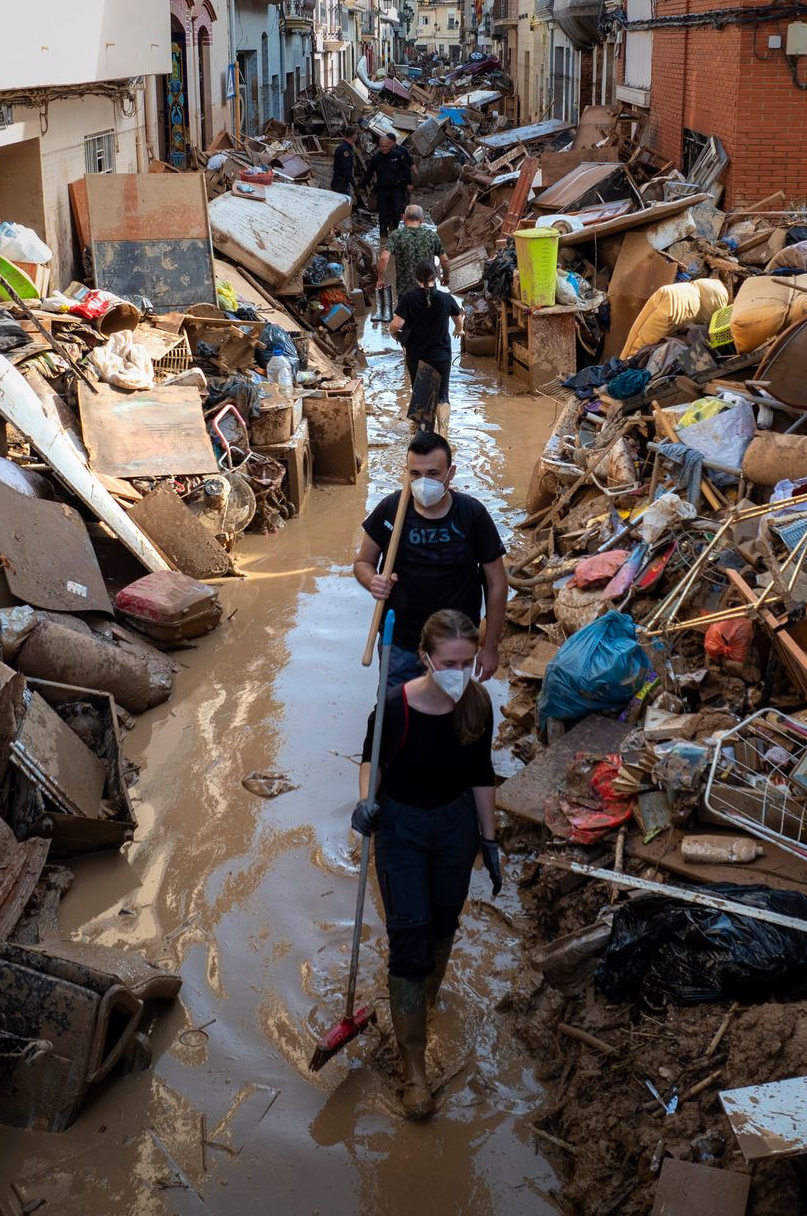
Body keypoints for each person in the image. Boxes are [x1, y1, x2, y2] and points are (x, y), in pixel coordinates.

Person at [351, 609, 503, 1119]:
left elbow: (482, 773)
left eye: (467, 660)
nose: (459, 671)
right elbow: (370, 758)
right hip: (404, 829)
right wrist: (364, 802)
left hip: (455, 827)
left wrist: (490, 841)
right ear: (426, 659)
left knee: (443, 925)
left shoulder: (477, 705)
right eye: (450, 662)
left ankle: (423, 1000)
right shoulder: (396, 706)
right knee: (410, 938)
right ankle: (413, 1065)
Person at [354, 430, 507, 691]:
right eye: (415, 474)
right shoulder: (390, 510)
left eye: (433, 474)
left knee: (449, 717)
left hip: (454, 648)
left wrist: (490, 647)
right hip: (400, 642)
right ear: (406, 472)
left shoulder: (472, 515)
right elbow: (362, 563)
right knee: (395, 716)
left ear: (451, 472)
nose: (423, 481)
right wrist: (373, 582)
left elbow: (497, 583)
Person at [389, 259, 463, 432]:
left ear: (416, 278)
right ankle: (443, 435)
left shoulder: (408, 298)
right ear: (436, 276)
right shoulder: (445, 298)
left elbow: (396, 325)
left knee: (420, 392)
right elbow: (458, 320)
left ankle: (421, 431)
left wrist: (394, 334)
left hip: (417, 355)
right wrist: (459, 330)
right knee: (443, 396)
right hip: (442, 355)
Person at [377, 203, 445, 299]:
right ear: (422, 219)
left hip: (405, 293)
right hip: (428, 290)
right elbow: (444, 260)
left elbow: (384, 258)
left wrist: (380, 279)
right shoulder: (431, 235)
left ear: (403, 217)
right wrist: (446, 277)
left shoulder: (396, 235)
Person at [364, 131, 414, 240]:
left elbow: (406, 170)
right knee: (382, 214)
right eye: (382, 146)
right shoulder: (376, 159)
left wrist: (409, 183)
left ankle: (394, 229)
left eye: (386, 146)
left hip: (396, 189)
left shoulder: (397, 156)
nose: (384, 149)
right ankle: (383, 236)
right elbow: (369, 173)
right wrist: (362, 186)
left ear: (390, 145)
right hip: (383, 190)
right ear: (379, 146)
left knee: (397, 211)